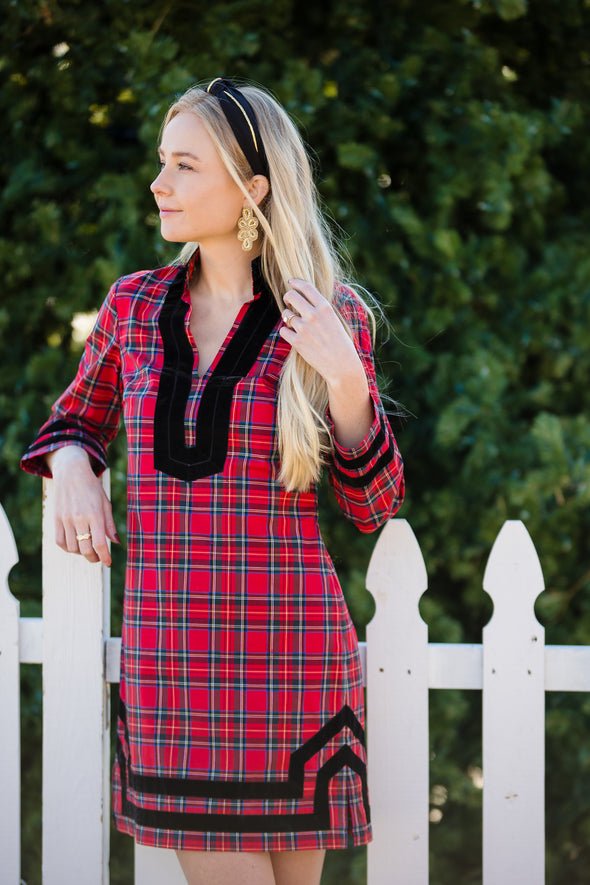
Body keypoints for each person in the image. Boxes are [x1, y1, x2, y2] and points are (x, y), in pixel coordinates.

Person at [21, 78, 404, 885]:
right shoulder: (133, 307)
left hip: (293, 664)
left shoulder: (330, 315)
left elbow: (372, 505)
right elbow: (70, 421)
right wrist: (72, 467)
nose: (160, 182)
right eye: (164, 162)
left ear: (253, 187)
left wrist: (345, 380)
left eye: (185, 165)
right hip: (176, 672)